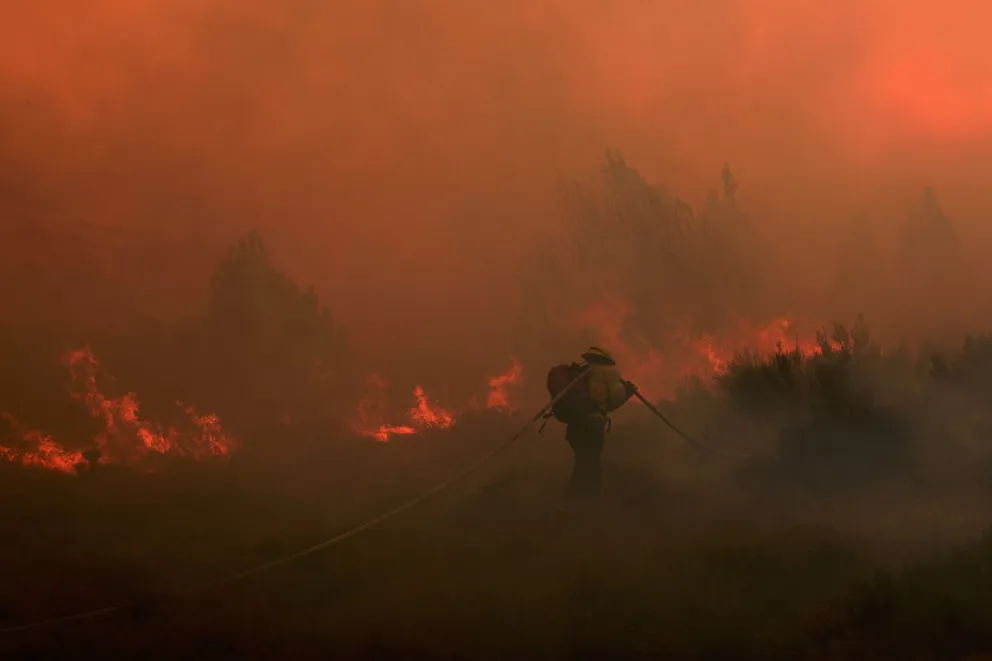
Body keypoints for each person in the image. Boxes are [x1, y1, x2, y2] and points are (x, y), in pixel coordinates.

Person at [556, 346, 638, 503]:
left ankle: (586, 498)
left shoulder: (581, 373)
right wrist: (628, 392)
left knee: (584, 460)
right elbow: (614, 399)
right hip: (592, 425)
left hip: (574, 426)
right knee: (588, 462)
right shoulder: (608, 372)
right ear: (606, 359)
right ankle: (578, 500)